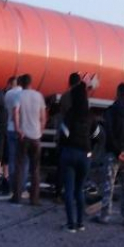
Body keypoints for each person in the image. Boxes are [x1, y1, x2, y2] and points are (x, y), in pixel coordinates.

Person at [96, 82, 124, 226]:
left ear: (118, 92)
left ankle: (105, 215)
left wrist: (117, 151)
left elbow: (108, 133)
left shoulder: (110, 111)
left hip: (112, 154)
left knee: (109, 185)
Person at [59, 81, 92, 232]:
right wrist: (90, 149)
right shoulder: (90, 116)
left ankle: (70, 224)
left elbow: (63, 134)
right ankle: (81, 223)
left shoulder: (70, 114)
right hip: (84, 155)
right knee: (80, 190)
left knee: (69, 190)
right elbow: (98, 135)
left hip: (69, 153)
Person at [12, 74, 46, 205]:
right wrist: (40, 131)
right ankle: (34, 199)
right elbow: (43, 116)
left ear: (21, 83)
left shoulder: (19, 96)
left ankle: (17, 196)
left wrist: (17, 129)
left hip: (23, 136)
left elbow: (16, 112)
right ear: (31, 83)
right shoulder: (39, 96)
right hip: (35, 137)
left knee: (20, 167)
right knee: (35, 169)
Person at [54, 73, 82, 201]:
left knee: (62, 165)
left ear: (69, 82)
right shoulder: (82, 98)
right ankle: (73, 193)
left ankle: (58, 193)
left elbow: (61, 116)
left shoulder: (64, 97)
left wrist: (58, 135)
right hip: (78, 136)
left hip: (65, 135)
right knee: (77, 167)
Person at [4, 75, 24, 194]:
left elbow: (9, 110)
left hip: (9, 127)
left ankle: (12, 185)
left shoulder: (8, 94)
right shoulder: (21, 94)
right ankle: (20, 186)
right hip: (20, 128)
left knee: (11, 158)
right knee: (22, 160)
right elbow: (17, 111)